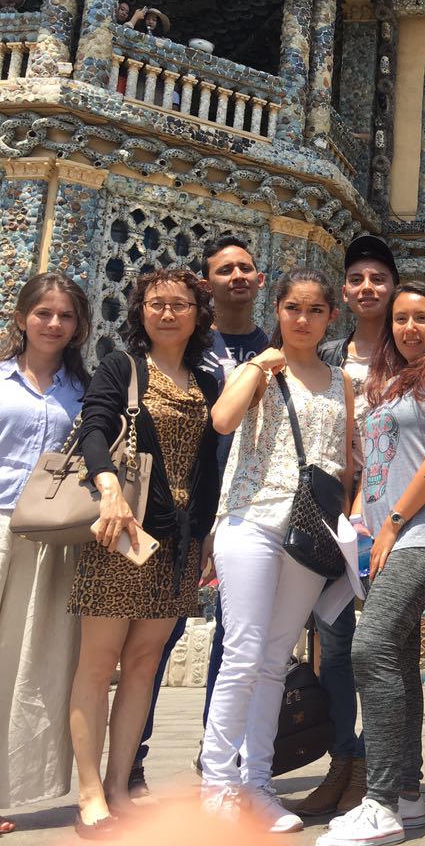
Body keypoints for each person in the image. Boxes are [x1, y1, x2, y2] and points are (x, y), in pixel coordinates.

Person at [320, 283, 425, 846]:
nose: (410, 328)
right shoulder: (391, 380)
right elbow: (378, 464)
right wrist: (362, 518)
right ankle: (407, 796)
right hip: (385, 536)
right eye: (401, 318)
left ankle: (381, 801)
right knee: (400, 660)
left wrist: (392, 521)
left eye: (422, 318)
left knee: (372, 647)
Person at [67, 268, 221, 836]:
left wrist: (206, 532)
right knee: (98, 662)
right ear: (141, 312)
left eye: (180, 304)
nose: (167, 313)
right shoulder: (123, 366)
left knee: (142, 664)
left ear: (198, 316)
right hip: (122, 530)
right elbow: (94, 427)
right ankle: (89, 794)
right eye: (156, 304)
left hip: (177, 542)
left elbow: (212, 463)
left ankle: (119, 786)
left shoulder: (207, 382)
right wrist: (107, 485)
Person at [201, 268, 354, 834]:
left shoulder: (340, 381)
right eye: (293, 308)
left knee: (274, 659)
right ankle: (217, 785)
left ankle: (257, 783)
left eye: (315, 310)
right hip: (253, 516)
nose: (303, 319)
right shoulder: (261, 368)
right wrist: (258, 367)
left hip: (311, 529)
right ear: (279, 310)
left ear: (330, 316)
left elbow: (345, 458)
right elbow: (222, 420)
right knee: (242, 652)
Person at [132, 233, 270, 794]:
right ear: (205, 285)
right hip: (175, 511)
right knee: (154, 639)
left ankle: (218, 760)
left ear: (260, 279)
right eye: (224, 270)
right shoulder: (189, 344)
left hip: (243, 511)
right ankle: (132, 758)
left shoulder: (274, 346)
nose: (236, 277)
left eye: (245, 268)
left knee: (234, 642)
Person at [299, 234, 399, 818]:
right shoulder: (326, 354)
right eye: (357, 279)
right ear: (343, 292)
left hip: (390, 512)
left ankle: (384, 769)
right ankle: (344, 759)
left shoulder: (409, 347)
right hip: (333, 511)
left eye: (378, 278)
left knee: (383, 643)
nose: (367, 288)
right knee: (333, 643)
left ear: (394, 287)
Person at [0, 274, 91, 835]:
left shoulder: (83, 393)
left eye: (66, 316)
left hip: (47, 534)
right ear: (21, 318)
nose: (54, 324)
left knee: (26, 661)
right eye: (43, 313)